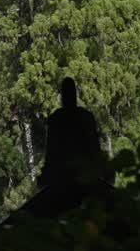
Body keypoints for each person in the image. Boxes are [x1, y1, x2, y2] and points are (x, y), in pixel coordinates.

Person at [34, 78, 112, 214]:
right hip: (86, 177)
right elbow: (94, 149)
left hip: (62, 179)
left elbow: (51, 155)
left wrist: (46, 176)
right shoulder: (85, 117)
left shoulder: (56, 119)